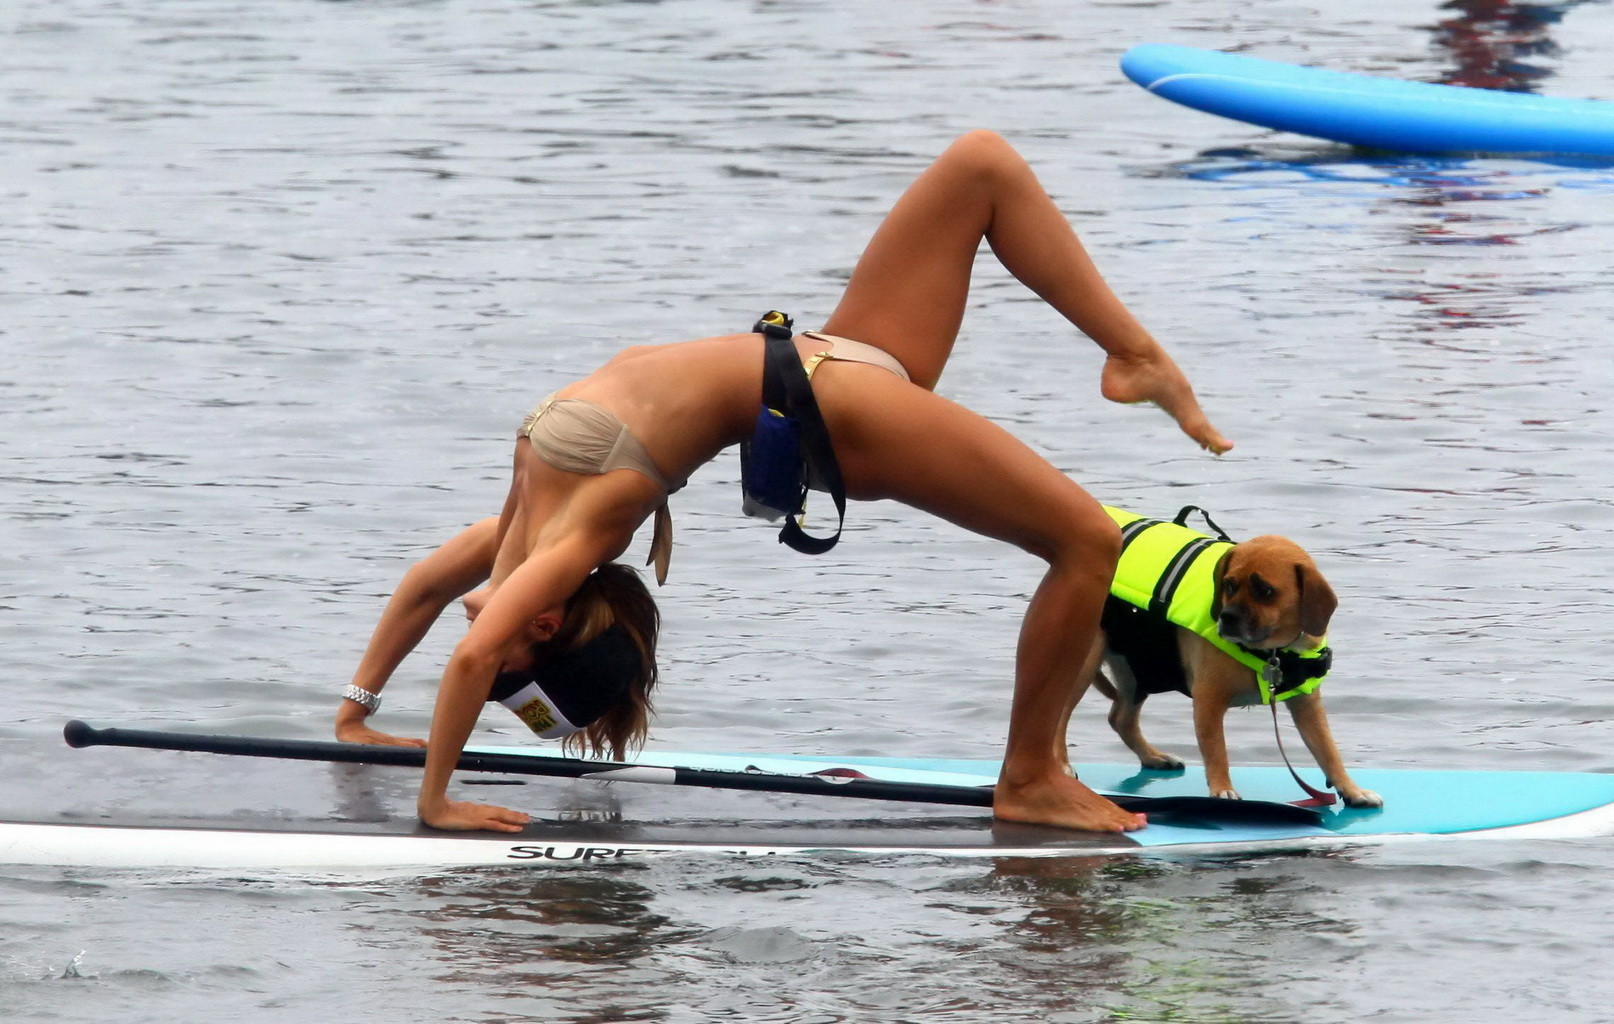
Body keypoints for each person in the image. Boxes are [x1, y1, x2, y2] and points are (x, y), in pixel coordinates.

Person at [334, 129, 1233, 835]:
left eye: (509, 666)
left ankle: (1131, 354)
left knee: (980, 166)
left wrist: (428, 792)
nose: (487, 638)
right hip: (820, 397)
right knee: (1088, 542)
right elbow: (443, 607)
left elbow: (460, 640)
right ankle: (1031, 771)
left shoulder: (567, 536)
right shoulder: (549, 524)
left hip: (830, 373)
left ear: (541, 622)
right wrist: (362, 717)